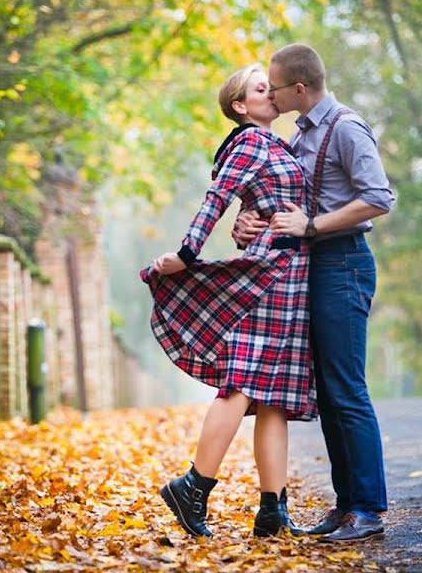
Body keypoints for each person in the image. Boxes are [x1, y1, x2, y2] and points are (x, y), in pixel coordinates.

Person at [140, 64, 318, 538]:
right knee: (241, 384)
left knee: (274, 398)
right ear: (240, 105)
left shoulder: (277, 145)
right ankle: (193, 486)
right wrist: (185, 252)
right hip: (269, 275)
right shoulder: (249, 141)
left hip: (292, 278)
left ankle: (273, 509)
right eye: (262, 89)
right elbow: (217, 197)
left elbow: (256, 201)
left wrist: (253, 217)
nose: (272, 93)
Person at [234, 43, 394, 542]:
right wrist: (249, 221)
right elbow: (287, 200)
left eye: (275, 87)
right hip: (314, 267)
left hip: (343, 264)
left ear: (299, 88)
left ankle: (367, 508)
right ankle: (346, 508)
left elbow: (379, 198)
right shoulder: (300, 134)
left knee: (347, 389)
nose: (272, 95)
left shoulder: (345, 128)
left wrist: (313, 225)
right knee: (327, 392)